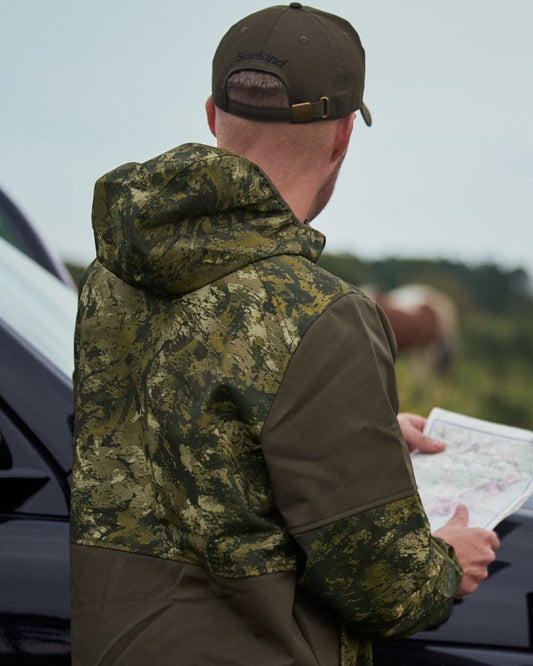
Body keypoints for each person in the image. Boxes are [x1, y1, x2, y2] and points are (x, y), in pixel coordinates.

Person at [69, 4, 499, 665]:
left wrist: (356, 433)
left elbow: (182, 447)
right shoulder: (322, 313)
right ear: (343, 136)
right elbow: (386, 589)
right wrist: (447, 559)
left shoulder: (111, 277)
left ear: (212, 115)